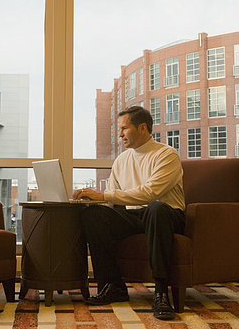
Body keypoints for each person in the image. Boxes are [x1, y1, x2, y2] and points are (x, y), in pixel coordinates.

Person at [72, 106, 185, 321]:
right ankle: (112, 285)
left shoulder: (166, 154)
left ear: (142, 128)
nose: (120, 135)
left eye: (124, 128)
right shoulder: (122, 160)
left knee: (155, 208)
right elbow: (113, 201)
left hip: (167, 215)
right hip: (136, 217)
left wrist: (102, 196)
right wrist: (92, 205)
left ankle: (161, 292)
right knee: (93, 216)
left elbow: (151, 193)